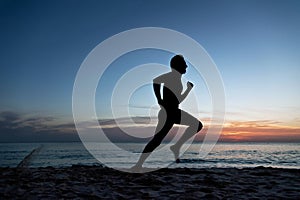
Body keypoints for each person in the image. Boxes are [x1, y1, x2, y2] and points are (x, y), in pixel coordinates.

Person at [132, 55, 203, 170]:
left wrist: (188, 90)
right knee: (157, 140)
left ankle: (176, 147)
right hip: (168, 113)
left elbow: (178, 100)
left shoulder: (178, 79)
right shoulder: (172, 76)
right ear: (177, 66)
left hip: (174, 112)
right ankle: (139, 165)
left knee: (197, 125)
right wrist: (159, 99)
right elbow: (155, 81)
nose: (186, 66)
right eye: (184, 63)